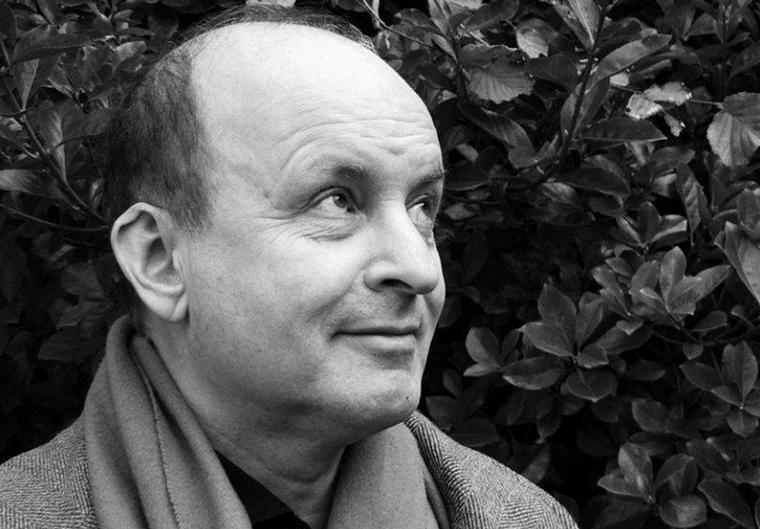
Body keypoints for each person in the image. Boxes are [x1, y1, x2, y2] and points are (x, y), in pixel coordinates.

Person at [0, 5, 578, 529]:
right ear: (159, 260)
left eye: (421, 207)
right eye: (337, 200)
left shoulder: (525, 518)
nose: (419, 270)